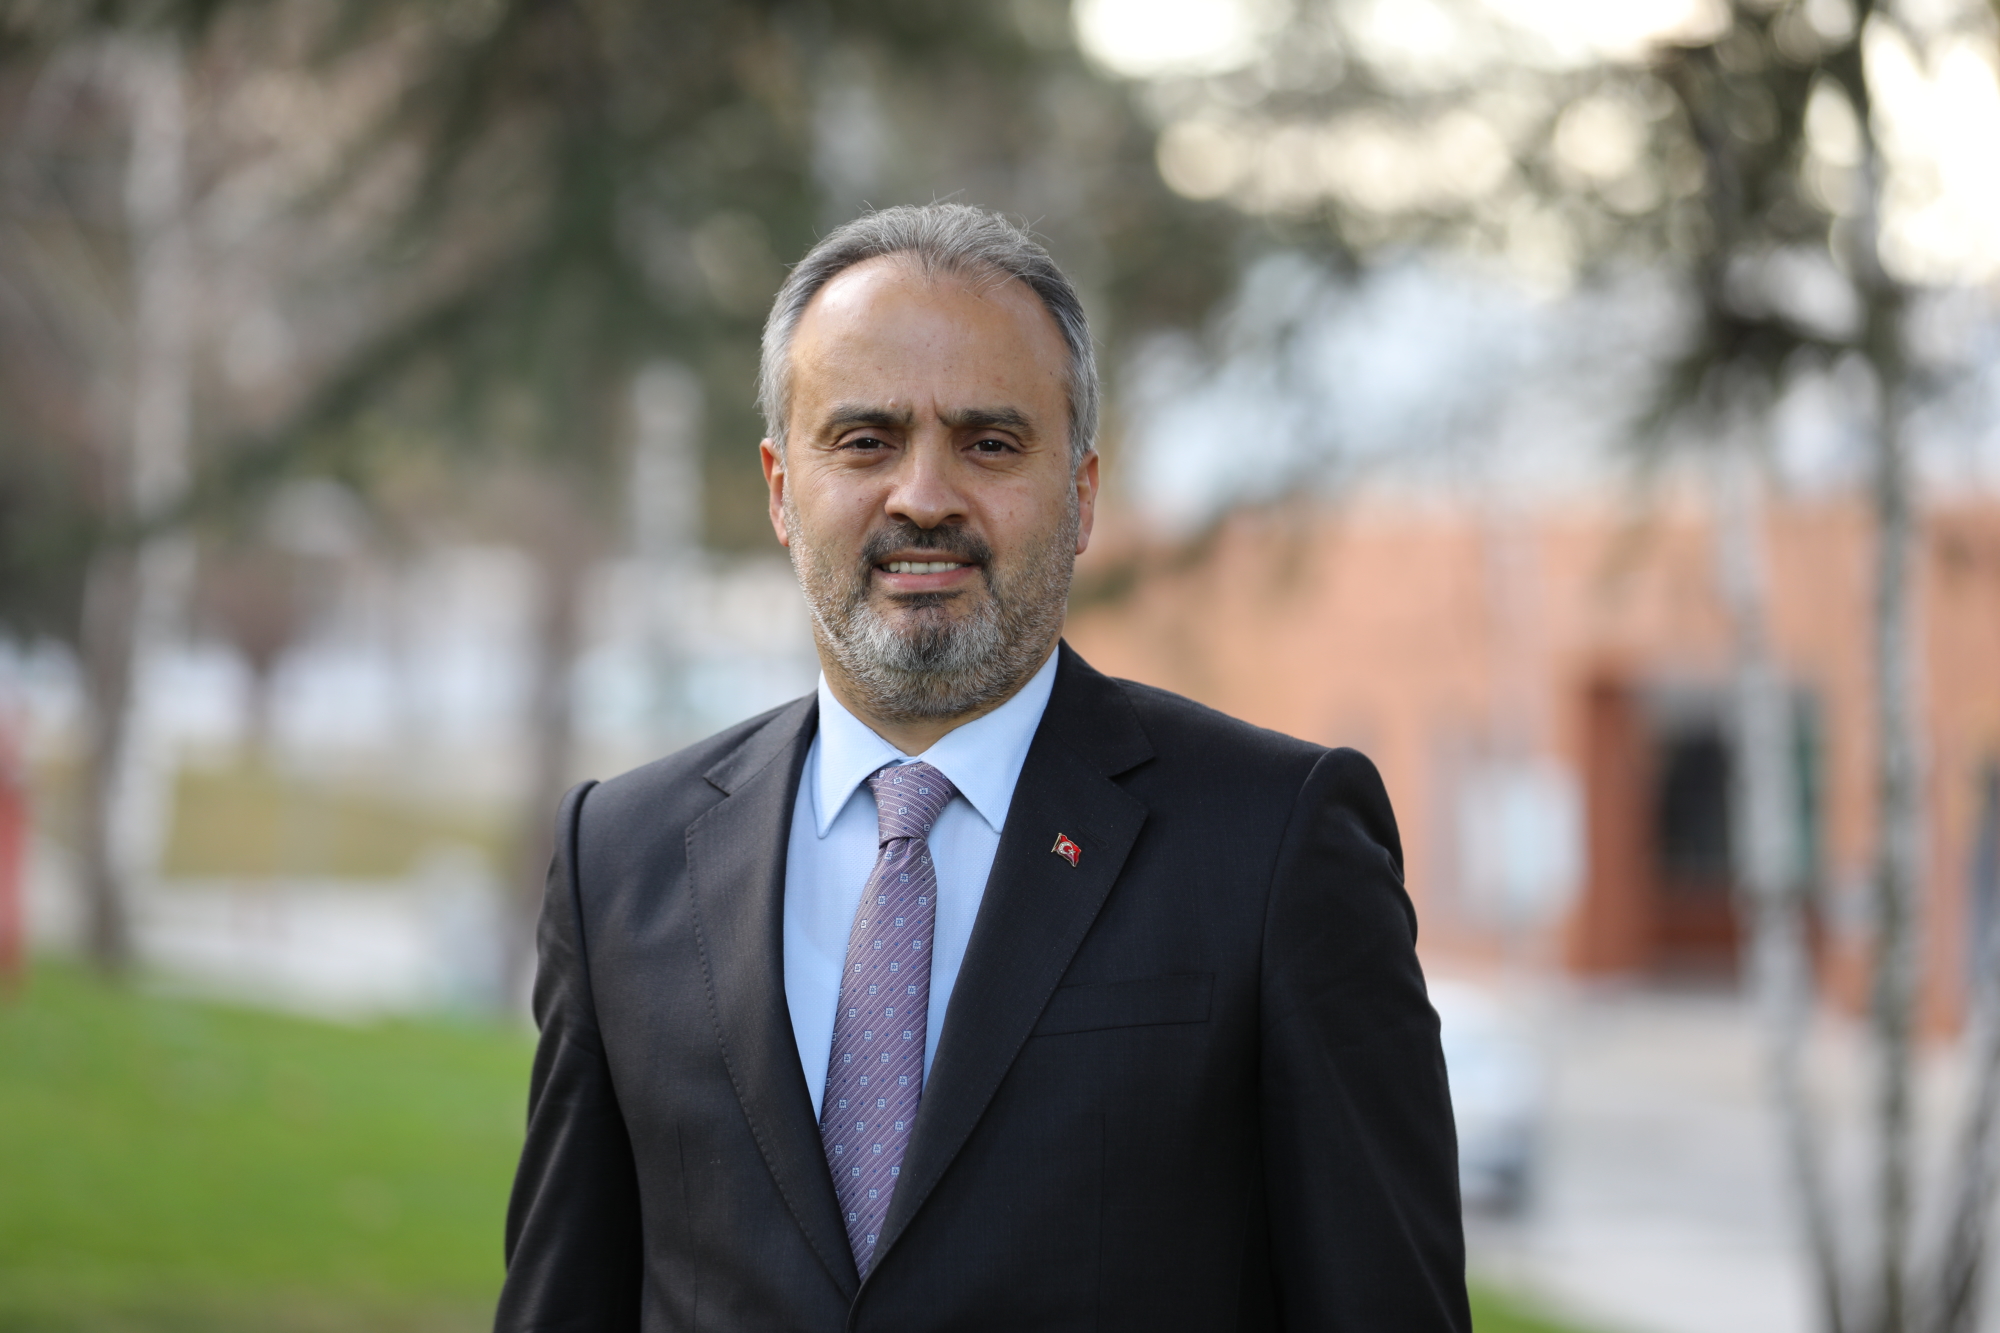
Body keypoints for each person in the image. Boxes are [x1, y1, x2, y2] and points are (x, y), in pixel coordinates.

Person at [495, 203, 1469, 1331]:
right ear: (778, 487)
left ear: (1082, 493)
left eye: (989, 443)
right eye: (865, 440)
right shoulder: (618, 859)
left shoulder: (1275, 844)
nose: (923, 496)